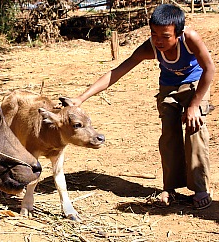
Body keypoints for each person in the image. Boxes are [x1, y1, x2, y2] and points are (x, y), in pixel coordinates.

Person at [68, 4, 215, 209]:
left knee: (194, 127)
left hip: (195, 85)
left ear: (179, 34)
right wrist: (81, 98)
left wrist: (194, 105)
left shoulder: (190, 38)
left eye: (165, 36)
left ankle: (200, 188)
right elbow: (117, 72)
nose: (158, 40)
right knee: (169, 134)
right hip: (168, 87)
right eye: (154, 34)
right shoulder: (151, 47)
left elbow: (209, 68)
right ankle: (170, 187)